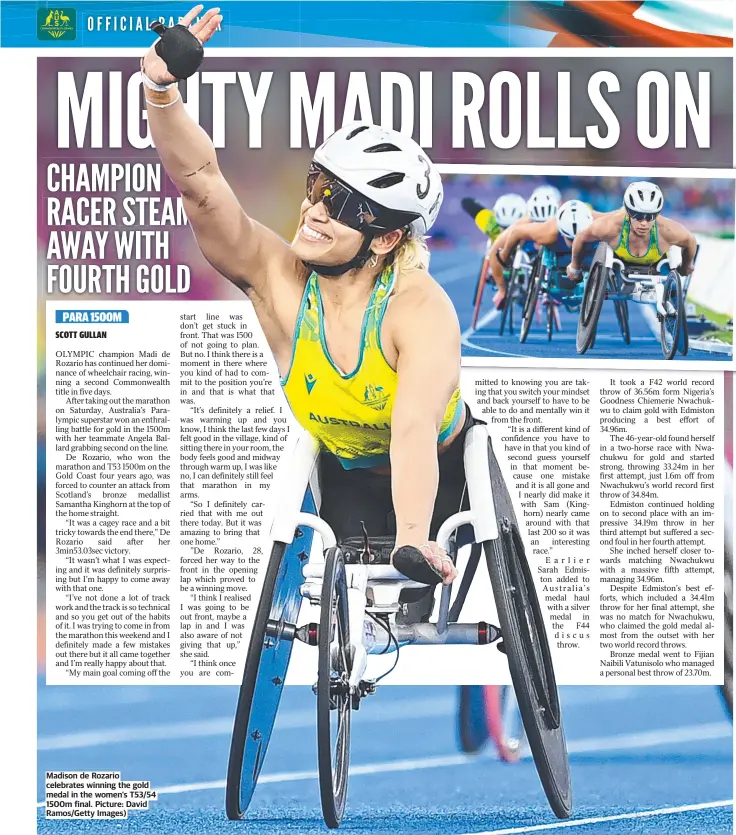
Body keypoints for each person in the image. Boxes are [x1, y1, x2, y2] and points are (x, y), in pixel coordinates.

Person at [141, 6, 485, 591]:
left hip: (442, 476)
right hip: (344, 474)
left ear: (386, 238)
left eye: (342, 205)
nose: (316, 211)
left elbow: (412, 427)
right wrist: (160, 89)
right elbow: (201, 189)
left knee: (426, 598)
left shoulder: (418, 308)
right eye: (317, 187)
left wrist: (412, 535)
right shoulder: (277, 279)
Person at [568, 182, 697, 316]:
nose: (644, 223)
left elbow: (690, 241)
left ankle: (677, 322)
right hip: (619, 264)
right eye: (638, 216)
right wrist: (575, 266)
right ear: (628, 212)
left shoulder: (668, 230)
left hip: (656, 264)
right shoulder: (610, 226)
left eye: (650, 217)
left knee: (674, 289)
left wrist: (687, 265)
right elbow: (581, 236)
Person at [497, 199, 596, 291]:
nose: (575, 243)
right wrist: (504, 255)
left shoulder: (598, 227)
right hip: (559, 257)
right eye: (571, 239)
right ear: (561, 232)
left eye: (578, 238)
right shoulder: (548, 232)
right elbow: (516, 232)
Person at [461, 193, 527, 308]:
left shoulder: (531, 225)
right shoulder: (489, 221)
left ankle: (524, 286)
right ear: (496, 220)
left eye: (512, 228)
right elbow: (466, 202)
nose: (507, 234)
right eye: (504, 228)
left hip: (524, 253)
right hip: (498, 256)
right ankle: (496, 277)